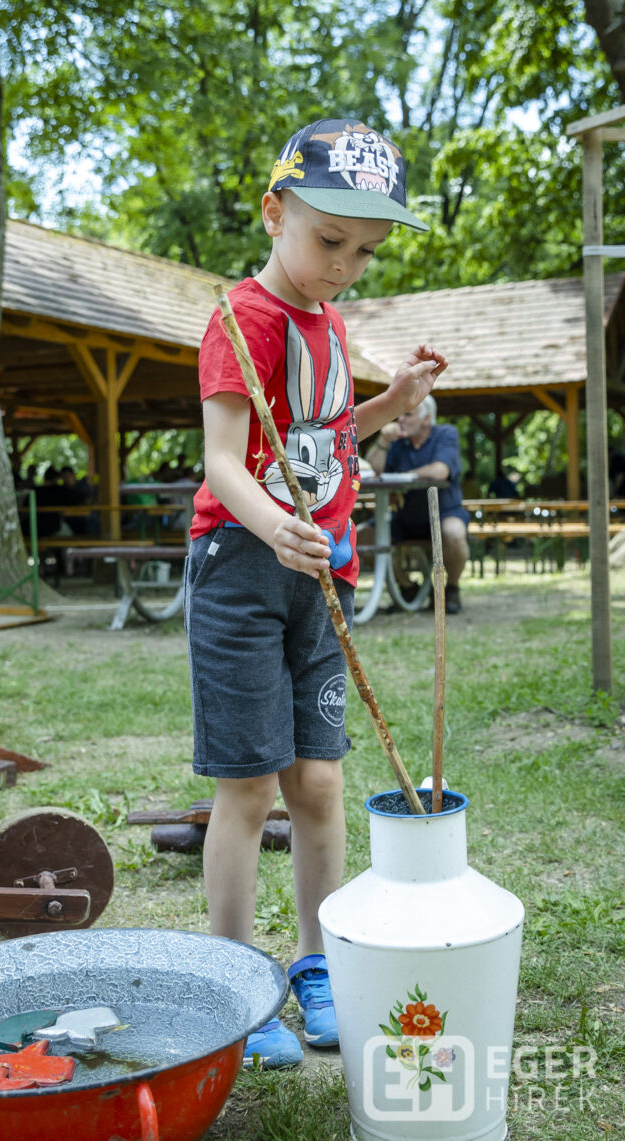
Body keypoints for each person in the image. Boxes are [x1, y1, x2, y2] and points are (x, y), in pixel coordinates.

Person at [186, 117, 448, 1069]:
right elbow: (224, 462)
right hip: (245, 569)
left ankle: (315, 962)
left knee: (321, 782)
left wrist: (395, 402)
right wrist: (275, 526)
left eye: (365, 252)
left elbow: (332, 438)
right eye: (329, 240)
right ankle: (235, 981)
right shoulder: (240, 320)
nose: (344, 266)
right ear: (273, 211)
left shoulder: (330, 325)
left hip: (319, 576)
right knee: (250, 787)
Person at [367, 395, 469, 615]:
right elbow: (374, 470)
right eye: (400, 414)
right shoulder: (397, 442)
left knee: (453, 533)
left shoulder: (445, 434)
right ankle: (408, 588)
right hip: (404, 516)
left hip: (444, 511)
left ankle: (451, 588)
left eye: (407, 414)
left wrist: (405, 476)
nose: (400, 420)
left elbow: (440, 471)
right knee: (362, 535)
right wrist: (383, 441)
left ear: (427, 419)